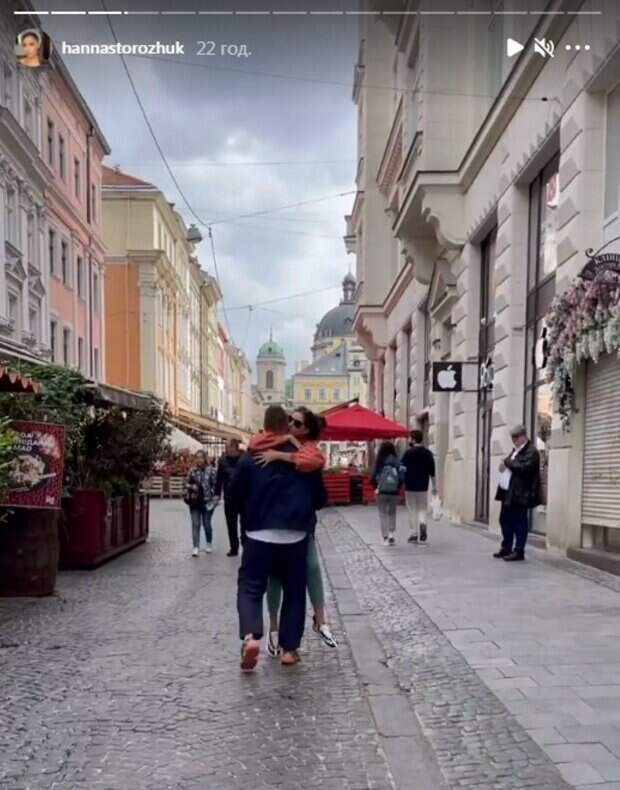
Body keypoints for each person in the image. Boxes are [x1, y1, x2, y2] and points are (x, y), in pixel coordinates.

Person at [231, 405, 318, 671]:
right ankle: (289, 650)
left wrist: (238, 533)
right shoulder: (303, 457)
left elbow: (233, 497)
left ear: (265, 425)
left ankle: (250, 637)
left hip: (258, 533)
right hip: (294, 535)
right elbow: (320, 497)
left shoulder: (251, 457)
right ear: (286, 426)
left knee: (250, 587)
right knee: (294, 591)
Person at [251, 406, 337, 656]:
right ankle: (274, 628)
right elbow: (254, 444)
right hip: (273, 520)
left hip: (300, 521)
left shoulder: (306, 449)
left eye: (297, 423)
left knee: (312, 566)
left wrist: (282, 453)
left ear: (307, 429)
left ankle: (320, 619)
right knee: (274, 577)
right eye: (289, 420)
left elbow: (314, 461)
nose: (291, 425)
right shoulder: (275, 440)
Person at [494, 425, 542, 562]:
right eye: (512, 438)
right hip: (508, 491)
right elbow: (510, 465)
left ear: (523, 436)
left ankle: (519, 550)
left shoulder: (532, 452)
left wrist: (508, 462)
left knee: (519, 522)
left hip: (521, 493)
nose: (514, 440)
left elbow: (524, 468)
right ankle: (506, 547)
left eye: (516, 437)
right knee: (505, 520)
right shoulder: (516, 451)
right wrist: (504, 465)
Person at [401, 429, 437, 544]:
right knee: (422, 508)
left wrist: (401, 481)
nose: (409, 440)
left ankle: (414, 534)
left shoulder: (408, 453)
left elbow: (402, 469)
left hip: (410, 485)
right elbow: (432, 472)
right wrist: (434, 486)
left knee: (412, 509)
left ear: (413, 439)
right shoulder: (428, 453)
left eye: (410, 438)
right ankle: (423, 524)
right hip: (423, 485)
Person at [184, 450, 218, 557]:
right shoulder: (192, 471)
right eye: (197, 457)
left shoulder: (211, 470)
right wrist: (191, 486)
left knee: (206, 524)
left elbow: (216, 485)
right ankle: (195, 547)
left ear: (205, 458)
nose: (199, 460)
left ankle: (208, 542)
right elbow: (185, 483)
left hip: (207, 502)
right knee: (196, 524)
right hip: (194, 502)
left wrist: (214, 499)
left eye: (201, 457)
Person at [371, 441, 404, 546]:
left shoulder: (379, 461)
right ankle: (391, 534)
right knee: (392, 513)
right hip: (394, 492)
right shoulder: (397, 461)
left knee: (383, 513)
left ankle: (385, 537)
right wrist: (398, 487)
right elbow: (402, 475)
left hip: (381, 491)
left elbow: (373, 476)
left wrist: (376, 487)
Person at [215, 438, 243, 557]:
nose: (226, 449)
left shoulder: (244, 459)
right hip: (229, 496)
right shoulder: (222, 461)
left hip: (243, 496)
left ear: (235, 447)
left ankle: (246, 545)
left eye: (228, 447)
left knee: (245, 522)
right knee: (231, 524)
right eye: (226, 447)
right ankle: (234, 548)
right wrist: (217, 494)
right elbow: (219, 479)